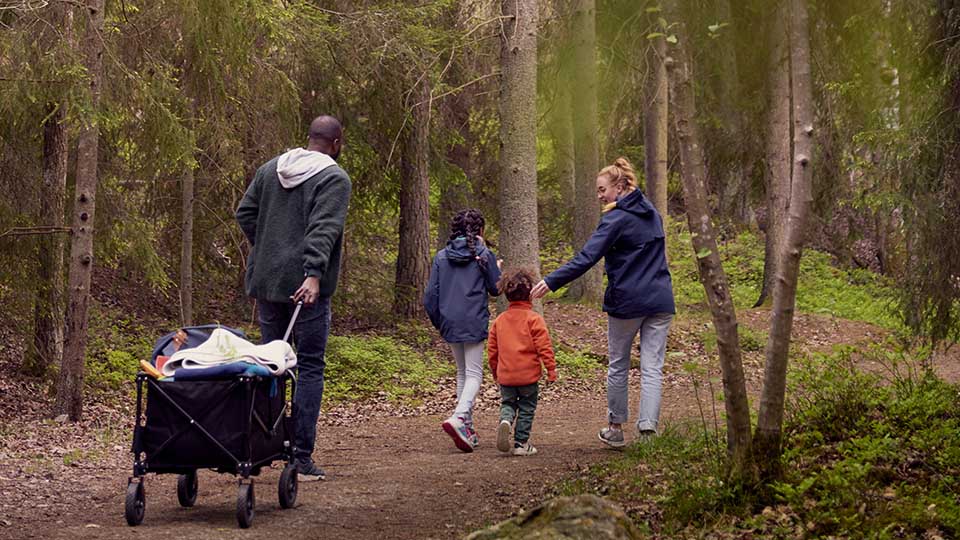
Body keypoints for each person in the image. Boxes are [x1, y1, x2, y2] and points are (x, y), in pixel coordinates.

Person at [236, 115, 352, 480]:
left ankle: (260, 447)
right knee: (310, 366)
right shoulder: (334, 177)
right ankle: (300, 457)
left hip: (268, 282)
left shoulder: (272, 169)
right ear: (335, 143)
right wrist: (313, 274)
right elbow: (324, 229)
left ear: (309, 138)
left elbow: (245, 214)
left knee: (271, 364)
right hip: (306, 287)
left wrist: (269, 252)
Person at [531, 157, 674, 448]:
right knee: (652, 367)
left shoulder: (616, 219)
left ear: (620, 186)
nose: (599, 196)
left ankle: (615, 428)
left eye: (602, 189)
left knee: (619, 364)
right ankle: (647, 431)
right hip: (660, 300)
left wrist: (552, 281)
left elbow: (587, 257)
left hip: (628, 302)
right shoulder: (653, 214)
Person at [423, 209, 501, 452]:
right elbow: (496, 288)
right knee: (474, 374)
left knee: (462, 374)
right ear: (480, 231)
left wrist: (440, 322)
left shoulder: (441, 257)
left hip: (449, 321)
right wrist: (495, 266)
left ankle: (466, 427)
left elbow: (429, 297)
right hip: (473, 320)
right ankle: (459, 417)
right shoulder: (483, 255)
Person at [488, 268, 557, 456]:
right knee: (527, 407)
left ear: (507, 295)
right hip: (528, 376)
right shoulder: (534, 319)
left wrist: (495, 371)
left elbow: (492, 351)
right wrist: (551, 370)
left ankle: (505, 420)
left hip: (507, 376)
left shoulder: (499, 321)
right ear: (530, 295)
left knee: (508, 402)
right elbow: (544, 348)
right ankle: (520, 444)